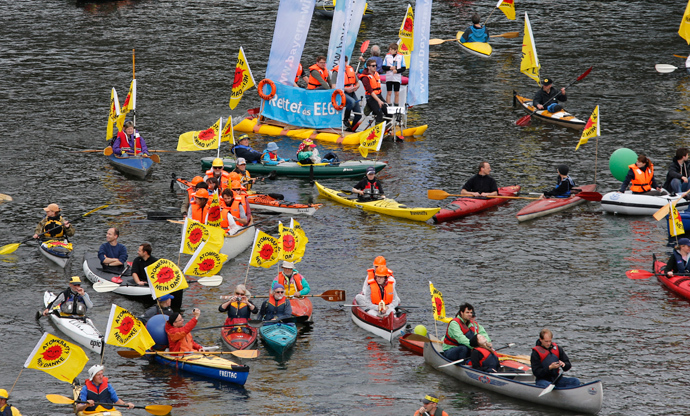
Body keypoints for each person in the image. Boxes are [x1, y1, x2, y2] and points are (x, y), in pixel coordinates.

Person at [330, 56, 362, 131]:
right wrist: (345, 89)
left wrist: (355, 87)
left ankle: (351, 129)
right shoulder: (336, 72)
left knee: (358, 115)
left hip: (351, 92)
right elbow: (334, 87)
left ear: (346, 62)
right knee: (352, 102)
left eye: (344, 61)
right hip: (341, 93)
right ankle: (345, 119)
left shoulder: (350, 69)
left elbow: (358, 83)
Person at [358, 58, 388, 124]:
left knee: (388, 112)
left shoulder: (376, 74)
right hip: (371, 98)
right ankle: (377, 131)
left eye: (375, 65)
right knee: (379, 114)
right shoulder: (365, 78)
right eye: (373, 66)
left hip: (379, 95)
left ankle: (387, 128)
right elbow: (370, 91)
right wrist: (379, 101)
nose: (375, 67)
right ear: (368, 67)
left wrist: (380, 100)